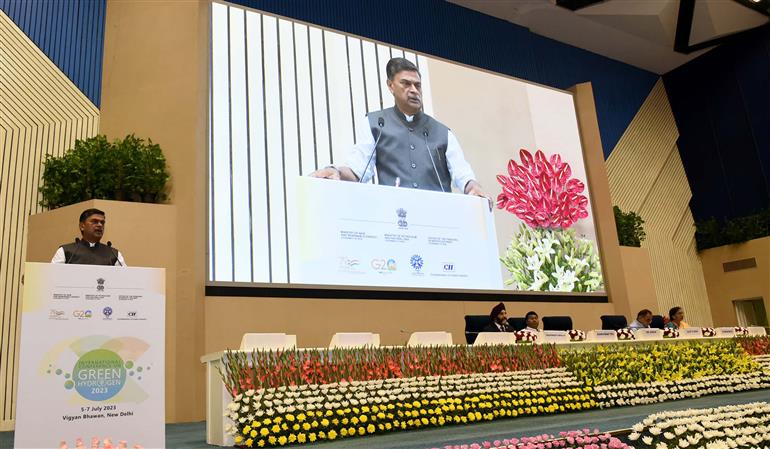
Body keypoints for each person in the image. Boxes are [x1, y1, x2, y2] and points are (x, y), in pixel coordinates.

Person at [309, 57, 489, 201]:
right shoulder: (375, 124)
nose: (414, 90)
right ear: (390, 86)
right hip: (394, 222)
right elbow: (358, 170)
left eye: (417, 85)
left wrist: (473, 187)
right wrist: (336, 171)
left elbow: (462, 174)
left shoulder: (443, 132)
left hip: (437, 223)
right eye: (406, 83)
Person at [51, 208, 126, 266]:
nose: (100, 225)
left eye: (102, 222)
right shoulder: (65, 251)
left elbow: (125, 278)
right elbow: (52, 277)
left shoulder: (114, 254)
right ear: (82, 226)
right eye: (94, 221)